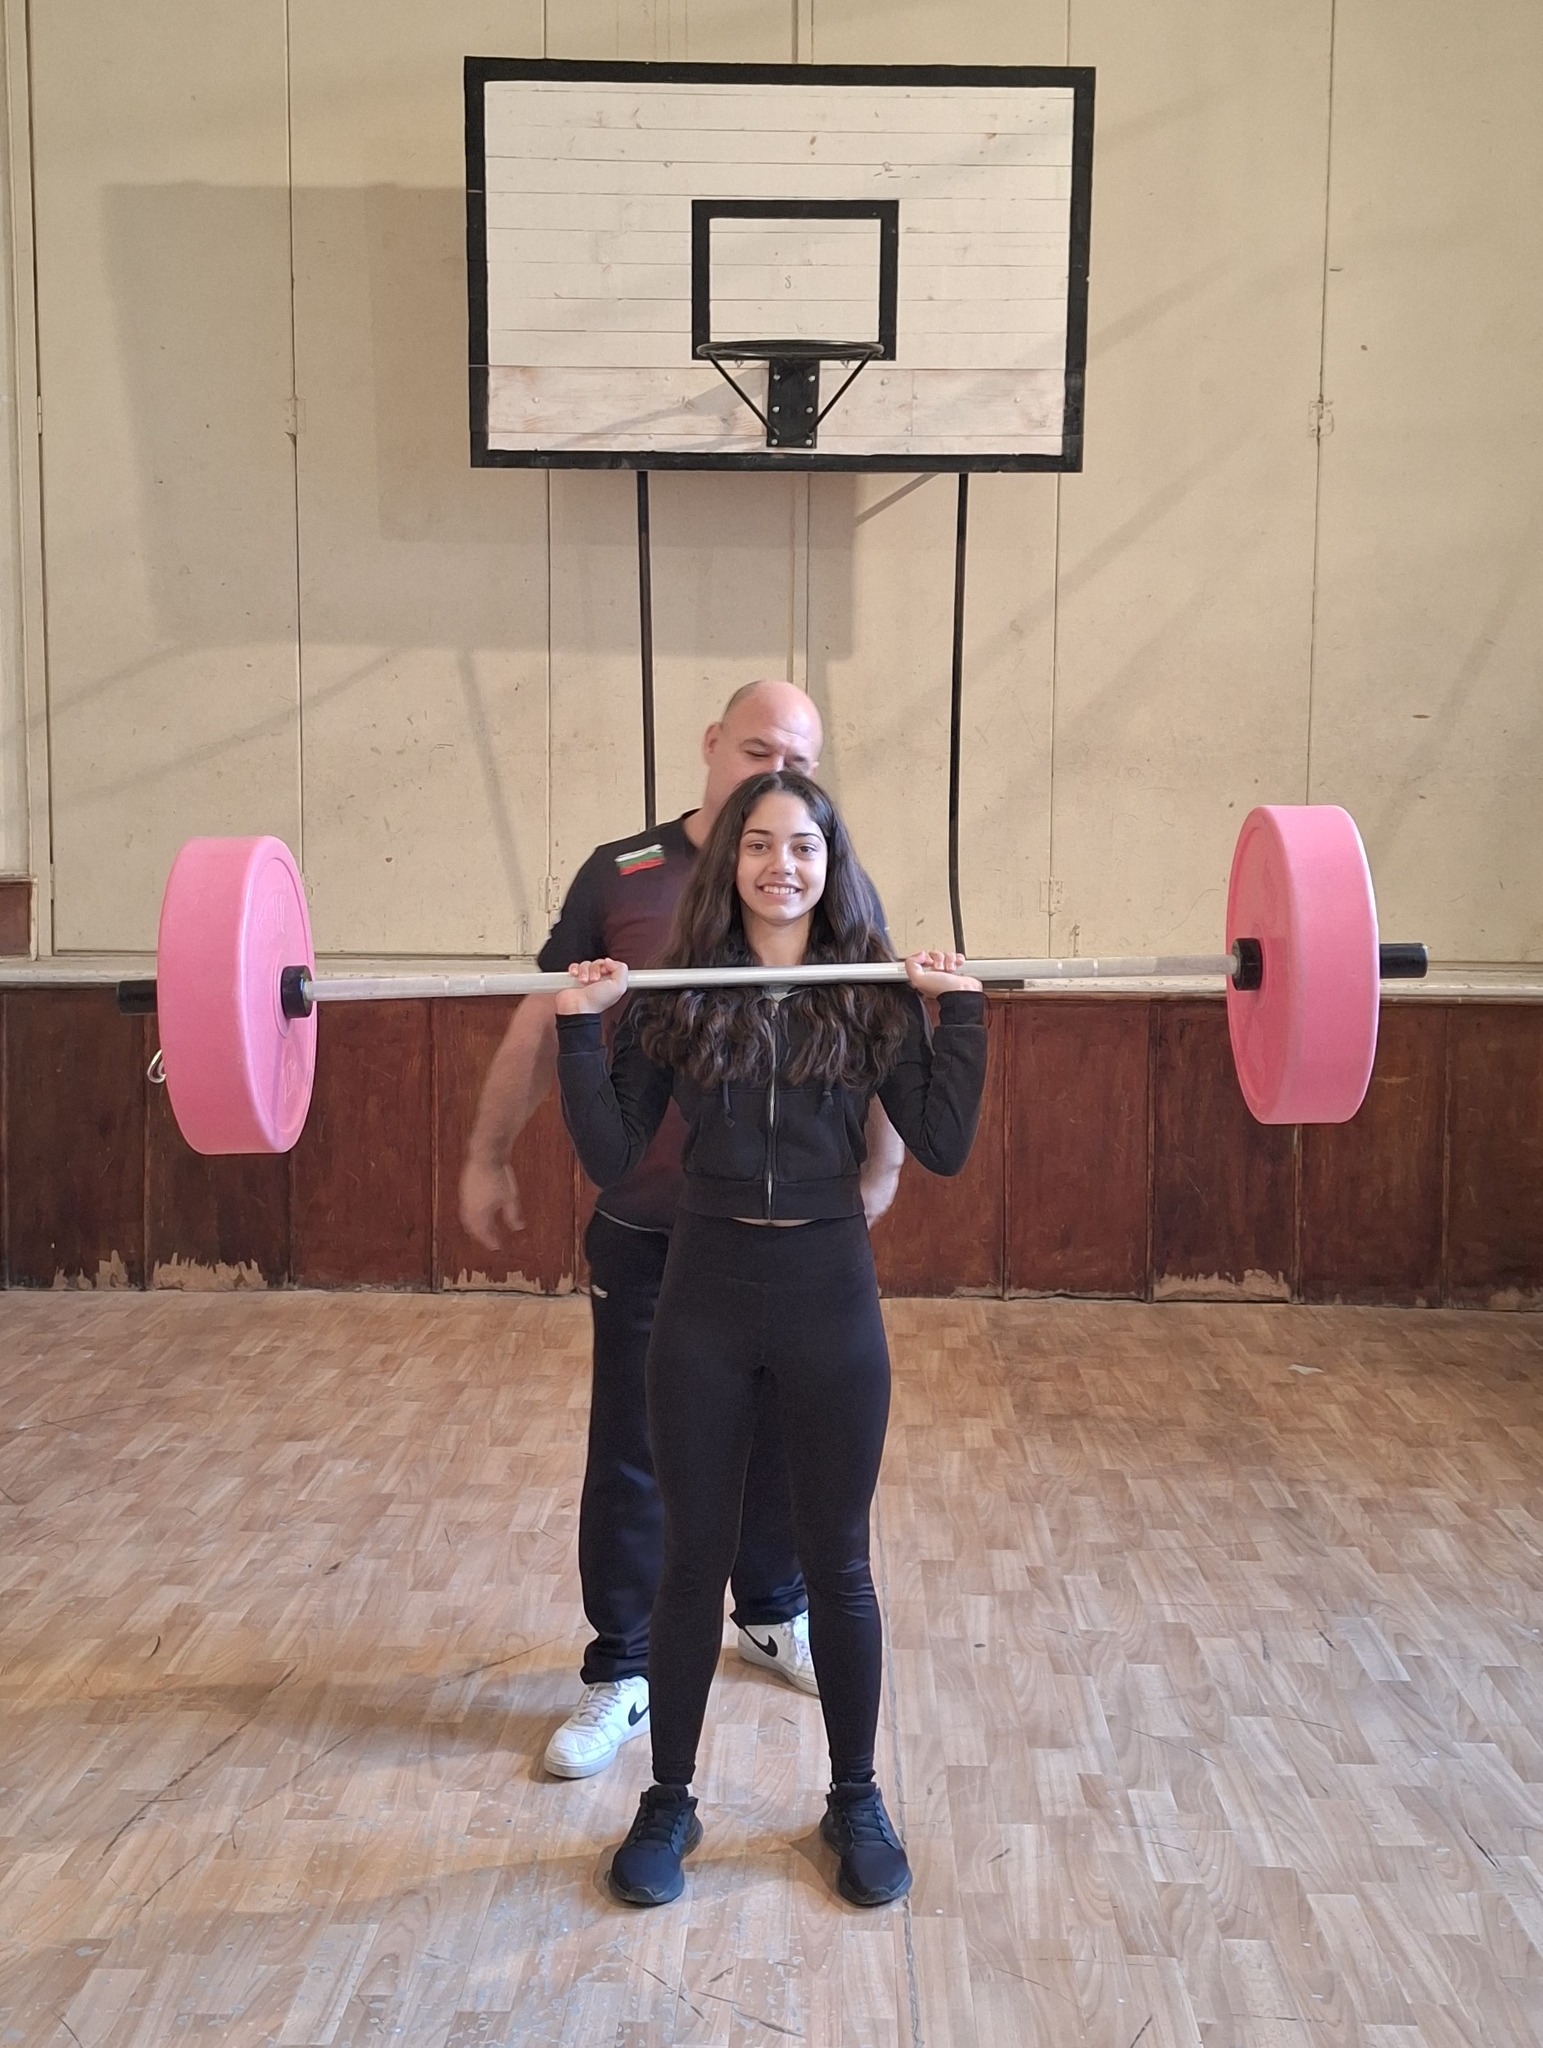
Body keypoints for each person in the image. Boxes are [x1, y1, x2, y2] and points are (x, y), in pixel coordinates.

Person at [554, 770, 986, 1909]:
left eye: (803, 845)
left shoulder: (871, 997)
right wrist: (578, 1031)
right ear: (729, 862)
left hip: (827, 1297)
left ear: (831, 864)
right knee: (693, 1564)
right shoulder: (679, 994)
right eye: (757, 843)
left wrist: (961, 1009)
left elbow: (942, 1142)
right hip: (703, 1299)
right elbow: (610, 1152)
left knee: (836, 1567)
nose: (779, 864)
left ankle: (855, 1797)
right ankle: (668, 1799)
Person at [459, 682, 905, 1778]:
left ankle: (770, 1611)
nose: (776, 773)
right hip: (653, 1225)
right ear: (711, 745)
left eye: (798, 759)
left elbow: (879, 1013)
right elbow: (545, 1014)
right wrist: (486, 1150)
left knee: (785, 1438)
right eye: (756, 749)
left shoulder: (824, 868)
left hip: (787, 1233)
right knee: (636, 1448)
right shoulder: (622, 875)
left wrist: (883, 1162)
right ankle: (622, 1667)